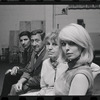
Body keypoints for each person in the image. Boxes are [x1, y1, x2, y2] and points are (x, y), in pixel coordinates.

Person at [21, 29, 68, 96]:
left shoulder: (67, 64)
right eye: (48, 44)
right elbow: (43, 87)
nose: (49, 48)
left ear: (62, 47)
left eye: (54, 44)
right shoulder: (46, 63)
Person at [54, 23, 97, 95]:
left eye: (72, 43)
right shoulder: (72, 67)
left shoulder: (80, 76)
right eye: (63, 44)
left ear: (83, 45)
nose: (67, 48)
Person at [9, 29, 46, 95]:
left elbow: (43, 79)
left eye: (37, 41)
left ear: (43, 41)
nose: (34, 44)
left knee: (15, 88)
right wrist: (20, 82)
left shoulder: (47, 55)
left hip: (42, 85)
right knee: (15, 86)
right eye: (32, 41)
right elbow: (28, 70)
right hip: (32, 81)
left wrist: (25, 82)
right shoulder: (34, 53)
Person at [1, 31, 33, 96]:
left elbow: (29, 69)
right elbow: (24, 66)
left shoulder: (33, 51)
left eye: (25, 40)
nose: (23, 42)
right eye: (21, 40)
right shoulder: (25, 51)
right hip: (27, 72)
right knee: (9, 75)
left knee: (9, 76)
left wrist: (16, 70)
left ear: (30, 40)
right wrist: (16, 67)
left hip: (32, 75)